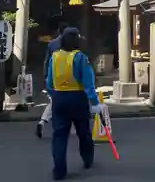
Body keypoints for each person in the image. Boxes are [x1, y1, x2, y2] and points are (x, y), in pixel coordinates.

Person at [46, 27, 106, 180]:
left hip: (59, 98)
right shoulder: (80, 57)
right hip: (77, 97)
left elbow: (49, 82)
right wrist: (94, 102)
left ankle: (59, 170)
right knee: (83, 131)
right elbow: (88, 83)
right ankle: (87, 158)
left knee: (59, 136)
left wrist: (56, 95)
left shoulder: (55, 56)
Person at [36, 21, 68, 138]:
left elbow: (47, 61)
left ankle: (43, 121)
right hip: (66, 77)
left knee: (54, 101)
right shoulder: (70, 44)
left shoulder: (52, 44)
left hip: (53, 76)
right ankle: (66, 125)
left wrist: (46, 76)